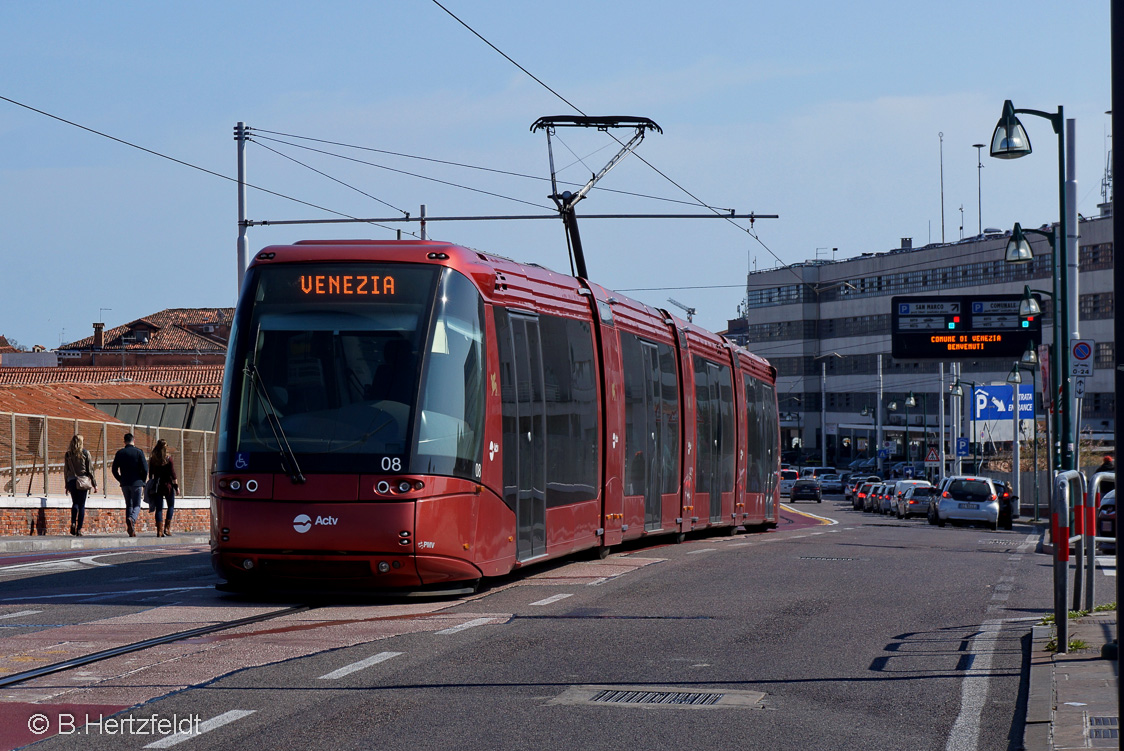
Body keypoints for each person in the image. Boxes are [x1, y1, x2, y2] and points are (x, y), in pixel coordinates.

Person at [111, 433, 148, 537]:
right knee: (137, 505)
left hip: (125, 483)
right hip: (136, 483)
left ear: (124, 441)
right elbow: (145, 469)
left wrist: (120, 479)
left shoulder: (120, 453)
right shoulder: (139, 452)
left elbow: (114, 469)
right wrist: (142, 480)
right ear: (134, 440)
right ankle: (132, 519)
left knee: (129, 505)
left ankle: (130, 529)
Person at [63, 434, 97, 536]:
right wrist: (94, 484)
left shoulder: (68, 454)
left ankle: (73, 522)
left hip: (72, 480)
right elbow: (90, 469)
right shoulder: (85, 453)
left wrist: (66, 484)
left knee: (75, 503)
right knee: (82, 505)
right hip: (83, 480)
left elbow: (66, 470)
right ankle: (79, 529)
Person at [148, 438, 179, 537]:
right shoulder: (168, 459)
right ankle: (167, 528)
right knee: (170, 506)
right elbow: (173, 474)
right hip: (168, 485)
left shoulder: (153, 459)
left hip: (157, 486)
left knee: (159, 508)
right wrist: (176, 487)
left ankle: (159, 531)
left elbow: (150, 474)